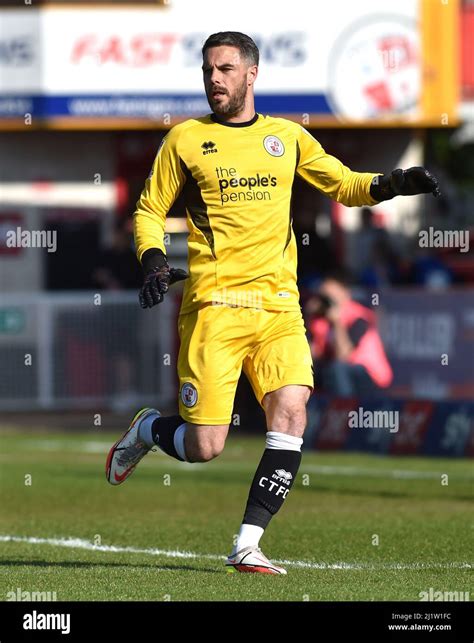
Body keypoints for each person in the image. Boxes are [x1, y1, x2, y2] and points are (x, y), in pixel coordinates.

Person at [105, 31, 440, 574]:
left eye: (226, 69)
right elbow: (148, 210)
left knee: (291, 412)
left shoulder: (288, 137)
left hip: (280, 306)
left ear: (252, 74)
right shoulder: (185, 140)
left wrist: (395, 182)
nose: (214, 79)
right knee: (206, 445)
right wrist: (151, 260)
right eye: (208, 69)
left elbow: (345, 185)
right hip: (214, 304)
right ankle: (147, 429)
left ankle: (246, 543)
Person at [306, 273, 393, 396]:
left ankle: (344, 410)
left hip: (371, 377)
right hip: (342, 373)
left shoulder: (359, 316)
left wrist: (337, 322)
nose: (327, 302)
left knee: (337, 369)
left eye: (331, 297)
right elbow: (313, 354)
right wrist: (309, 316)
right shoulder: (321, 320)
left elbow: (344, 355)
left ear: (345, 294)